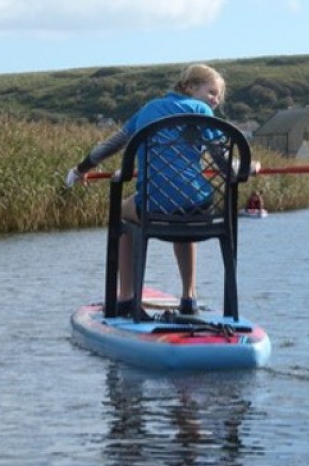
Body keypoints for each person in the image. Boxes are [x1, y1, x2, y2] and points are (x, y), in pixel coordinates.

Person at [65, 63, 227, 318]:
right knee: (185, 216)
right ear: (190, 87)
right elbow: (224, 163)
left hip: (152, 208)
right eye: (212, 92)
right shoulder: (202, 111)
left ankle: (127, 296)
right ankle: (189, 297)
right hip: (198, 209)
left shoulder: (147, 110)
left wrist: (81, 168)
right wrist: (250, 166)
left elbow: (114, 144)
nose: (215, 100)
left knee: (121, 213)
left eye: (217, 95)